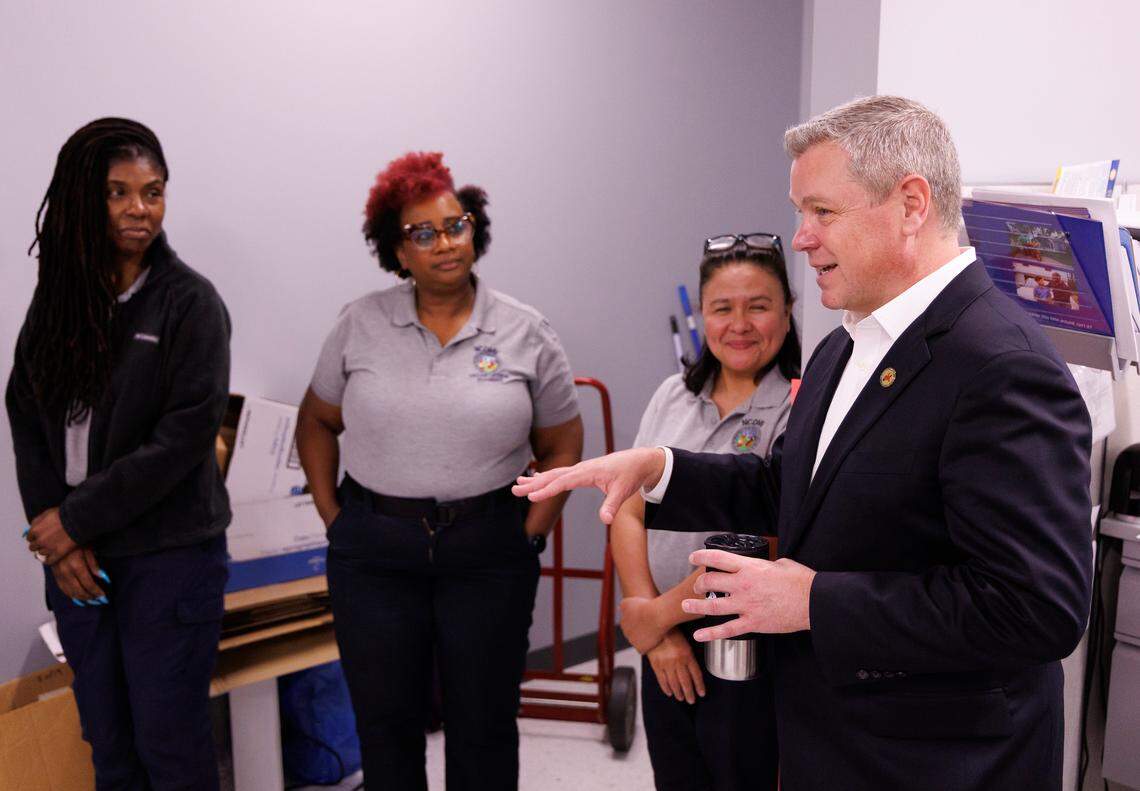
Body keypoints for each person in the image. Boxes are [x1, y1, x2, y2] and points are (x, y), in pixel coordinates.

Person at [515, 96, 1092, 791]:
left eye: (822, 212)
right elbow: (790, 487)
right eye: (800, 214)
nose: (801, 239)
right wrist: (660, 468)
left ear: (912, 204)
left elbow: (1034, 608)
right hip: (834, 739)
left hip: (940, 762)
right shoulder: (845, 345)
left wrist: (813, 601)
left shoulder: (1001, 365)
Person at [296, 151, 583, 791]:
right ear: (395, 251)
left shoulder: (525, 331)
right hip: (373, 550)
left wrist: (529, 532)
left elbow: (564, 442)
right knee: (385, 724)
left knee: (483, 726)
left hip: (487, 549)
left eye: (455, 225)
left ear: (474, 229)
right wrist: (333, 517)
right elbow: (316, 419)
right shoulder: (359, 323)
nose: (444, 243)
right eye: (422, 233)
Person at [6, 118, 232, 790]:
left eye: (154, 190)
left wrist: (75, 521)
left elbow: (183, 437)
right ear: (86, 199)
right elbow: (25, 415)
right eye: (120, 191)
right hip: (79, 563)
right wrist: (58, 531)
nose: (141, 208)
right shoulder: (58, 302)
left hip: (168, 557)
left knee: (170, 743)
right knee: (107, 741)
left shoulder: (190, 304)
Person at [613, 232, 797, 791]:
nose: (739, 324)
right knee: (676, 775)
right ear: (700, 315)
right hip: (661, 638)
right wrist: (654, 624)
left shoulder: (798, 403)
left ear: (788, 313)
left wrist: (656, 616)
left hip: (747, 642)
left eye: (758, 306)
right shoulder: (672, 394)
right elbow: (626, 507)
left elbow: (776, 540)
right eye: (722, 308)